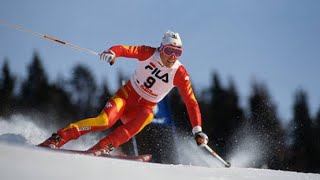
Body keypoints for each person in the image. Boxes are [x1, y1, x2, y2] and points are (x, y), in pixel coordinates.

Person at [39, 31, 209, 156]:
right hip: (126, 97)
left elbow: (191, 102)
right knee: (104, 121)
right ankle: (58, 138)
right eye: (169, 51)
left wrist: (197, 130)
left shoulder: (180, 73)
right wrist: (112, 53)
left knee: (147, 115)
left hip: (142, 108)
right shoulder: (148, 53)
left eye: (178, 53)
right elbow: (124, 49)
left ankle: (103, 146)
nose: (172, 56)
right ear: (161, 48)